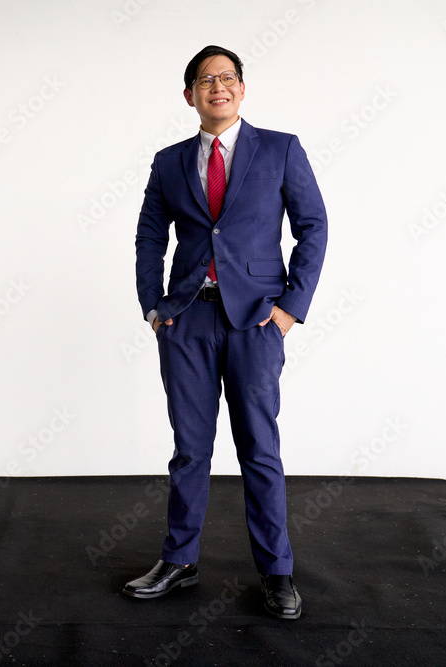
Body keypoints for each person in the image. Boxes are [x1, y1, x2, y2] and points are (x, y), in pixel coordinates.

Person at [127, 45, 328, 620]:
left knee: (259, 448)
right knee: (189, 449)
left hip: (257, 320)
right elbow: (149, 236)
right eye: (205, 80)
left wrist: (289, 310)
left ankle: (277, 571)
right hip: (187, 318)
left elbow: (313, 226)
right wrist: (154, 307)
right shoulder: (169, 161)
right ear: (189, 94)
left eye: (227, 77)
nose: (217, 86)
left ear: (242, 87)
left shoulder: (281, 149)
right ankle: (180, 561)